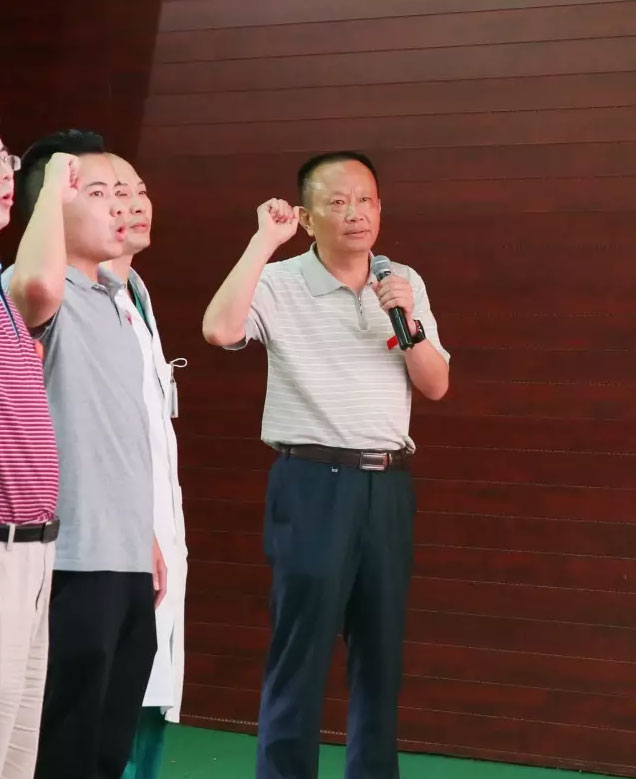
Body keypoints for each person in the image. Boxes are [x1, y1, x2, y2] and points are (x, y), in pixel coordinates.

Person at [202, 150, 450, 779]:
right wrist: (263, 242)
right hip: (312, 482)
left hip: (388, 486)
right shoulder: (280, 281)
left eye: (365, 200)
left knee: (381, 654)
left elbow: (436, 384)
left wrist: (409, 321)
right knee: (302, 650)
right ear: (308, 219)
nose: (355, 213)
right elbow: (219, 330)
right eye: (337, 202)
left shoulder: (403, 282)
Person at [3, 130, 163, 779]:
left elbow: (116, 439)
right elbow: (38, 283)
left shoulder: (116, 303)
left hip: (124, 559)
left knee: (105, 748)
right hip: (68, 560)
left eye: (125, 191)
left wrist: (144, 535)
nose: (119, 205)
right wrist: (50, 187)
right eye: (96, 192)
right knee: (56, 749)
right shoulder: (38, 290)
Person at [102, 153, 187, 779]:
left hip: (157, 529)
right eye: (111, 193)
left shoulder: (137, 292)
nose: (133, 205)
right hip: (115, 540)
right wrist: (136, 527)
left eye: (139, 190)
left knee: (149, 697)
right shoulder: (67, 298)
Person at [0, 138, 59, 779]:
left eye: (6, 160)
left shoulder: (4, 302)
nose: (5, 174)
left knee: (18, 754)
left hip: (34, 548)